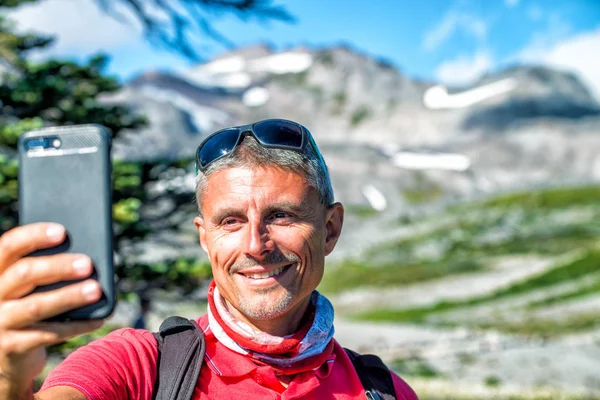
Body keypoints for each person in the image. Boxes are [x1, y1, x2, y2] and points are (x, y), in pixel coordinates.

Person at [0, 119, 418, 399]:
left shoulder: (384, 390)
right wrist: (7, 377)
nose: (256, 244)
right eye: (231, 221)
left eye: (282, 215)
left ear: (330, 229)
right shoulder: (137, 367)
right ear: (205, 238)